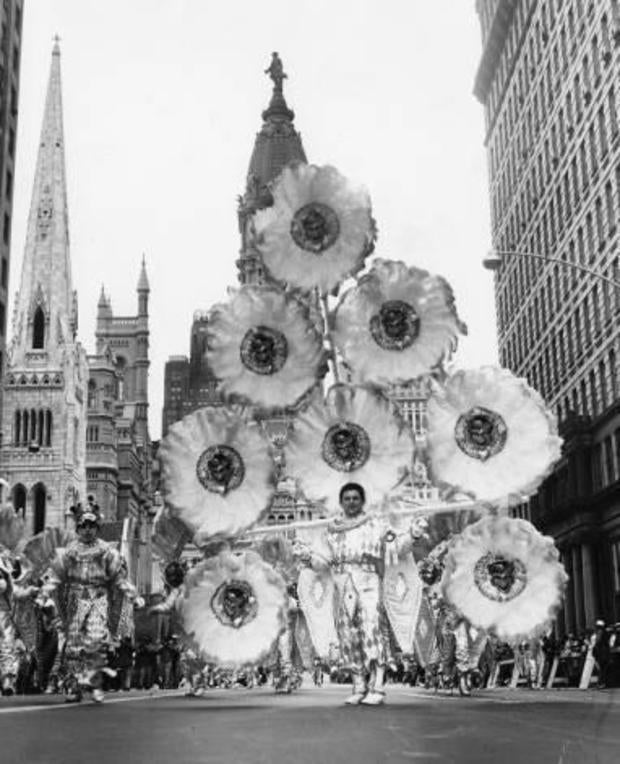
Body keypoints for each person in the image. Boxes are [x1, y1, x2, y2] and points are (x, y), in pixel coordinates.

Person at [298, 482, 425, 706]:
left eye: (356, 498)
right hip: (342, 584)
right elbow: (323, 563)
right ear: (341, 502)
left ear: (362, 501)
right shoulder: (332, 530)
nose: (351, 502)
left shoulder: (377, 525)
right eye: (347, 498)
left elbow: (397, 548)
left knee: (372, 629)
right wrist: (307, 557)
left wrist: (413, 534)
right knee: (348, 635)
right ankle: (359, 685)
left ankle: (377, 684)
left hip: (368, 582)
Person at [42, 502, 136, 703]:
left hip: (98, 600)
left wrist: (132, 594)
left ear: (97, 528)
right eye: (83, 526)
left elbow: (118, 578)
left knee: (95, 641)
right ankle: (73, 685)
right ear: (78, 528)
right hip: (75, 600)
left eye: (91, 526)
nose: (87, 530)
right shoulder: (69, 551)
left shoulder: (106, 551)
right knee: (73, 646)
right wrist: (45, 593)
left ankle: (95, 684)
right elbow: (56, 576)